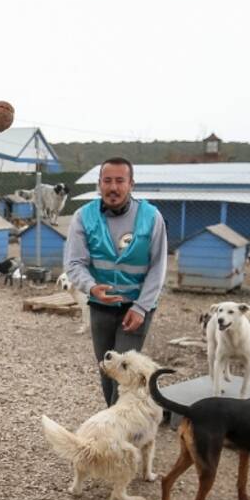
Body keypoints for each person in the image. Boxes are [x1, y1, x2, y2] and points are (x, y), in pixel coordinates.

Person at [62, 157, 168, 406]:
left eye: (120, 181)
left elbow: (158, 267)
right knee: (107, 368)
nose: (113, 187)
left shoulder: (152, 217)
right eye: (107, 181)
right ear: (99, 184)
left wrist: (141, 307)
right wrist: (91, 287)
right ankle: (115, 419)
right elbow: (74, 263)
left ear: (131, 184)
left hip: (136, 309)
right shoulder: (83, 217)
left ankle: (115, 429)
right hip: (100, 307)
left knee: (124, 372)